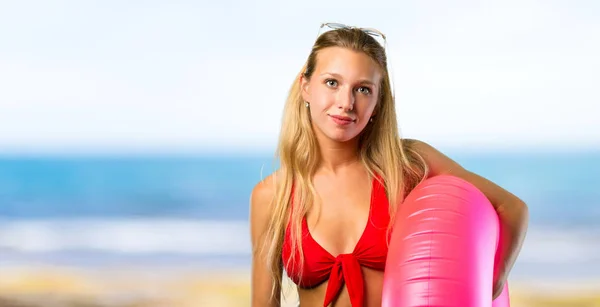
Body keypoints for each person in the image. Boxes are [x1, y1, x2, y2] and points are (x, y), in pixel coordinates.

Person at [249, 22, 529, 307]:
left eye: (363, 89)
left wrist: (491, 285)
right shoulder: (273, 195)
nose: (346, 102)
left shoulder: (408, 165)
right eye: (332, 83)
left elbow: (512, 207)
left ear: (378, 102)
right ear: (306, 87)